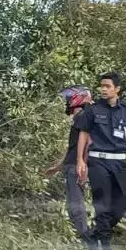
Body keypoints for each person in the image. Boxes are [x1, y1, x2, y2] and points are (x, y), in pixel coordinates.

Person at [76, 72, 126, 250]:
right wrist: (80, 160)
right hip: (98, 161)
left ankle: (91, 235)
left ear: (117, 89)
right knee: (102, 205)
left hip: (119, 162)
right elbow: (83, 134)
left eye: (107, 86)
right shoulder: (92, 109)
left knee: (120, 207)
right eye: (101, 86)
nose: (103, 89)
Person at [45, 86, 93, 238]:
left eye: (69, 98)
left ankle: (89, 245)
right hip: (72, 166)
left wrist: (82, 165)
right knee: (73, 206)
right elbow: (72, 147)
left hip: (76, 168)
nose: (67, 101)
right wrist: (58, 167)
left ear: (77, 98)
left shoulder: (83, 117)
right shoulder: (79, 118)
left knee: (76, 208)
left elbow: (90, 143)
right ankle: (87, 241)